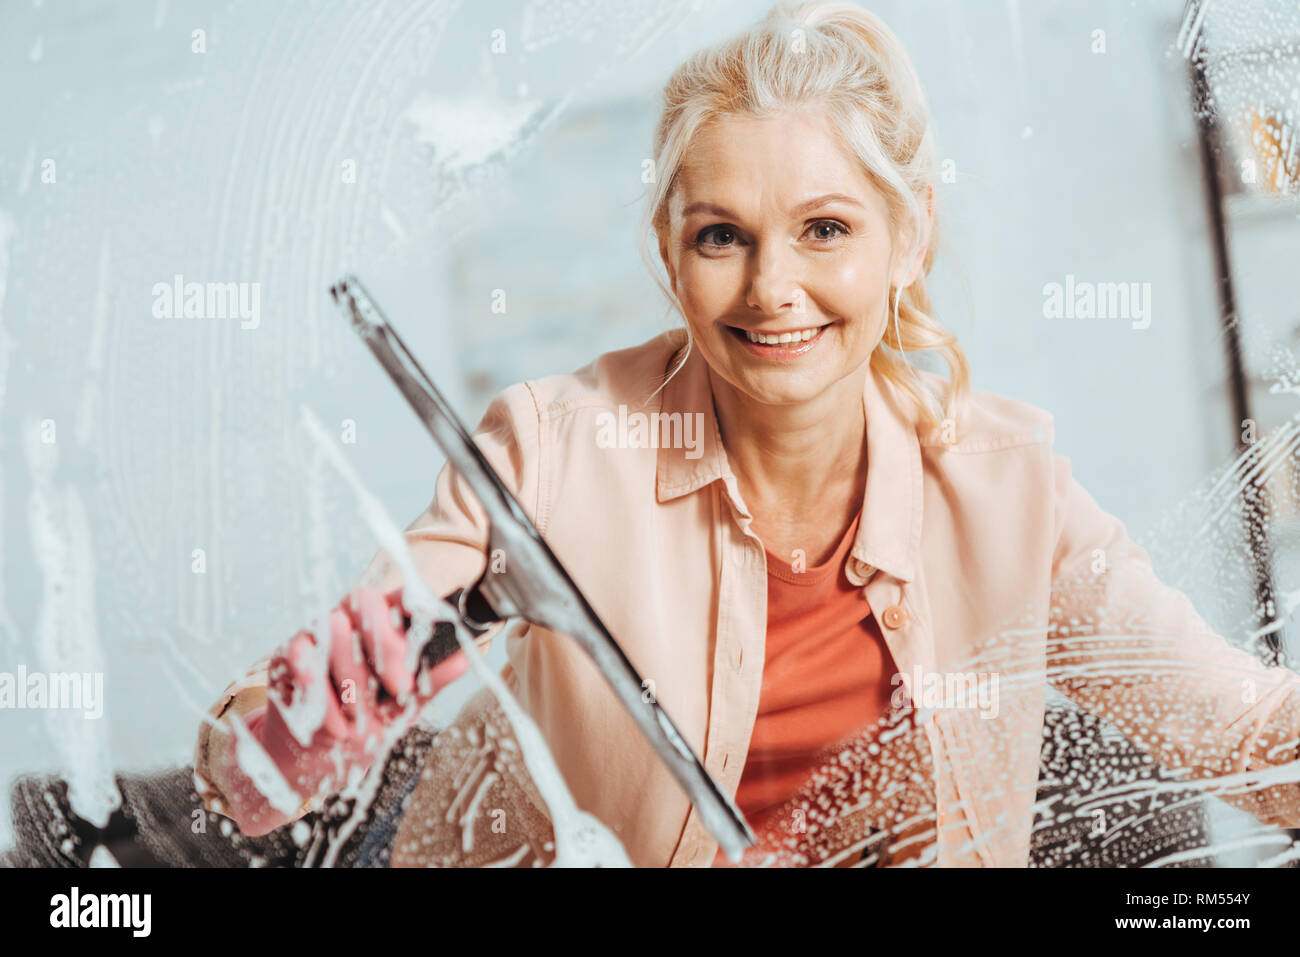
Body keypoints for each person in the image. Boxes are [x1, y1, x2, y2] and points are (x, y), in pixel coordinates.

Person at [192, 0, 1300, 868]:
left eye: (826, 229)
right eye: (722, 235)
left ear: (904, 241)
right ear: (669, 257)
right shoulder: (551, 453)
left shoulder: (1009, 493)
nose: (774, 289)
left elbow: (1251, 743)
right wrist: (462, 611)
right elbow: (246, 784)